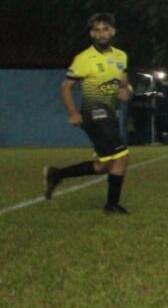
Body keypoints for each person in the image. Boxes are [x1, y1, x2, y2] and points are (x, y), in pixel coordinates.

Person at [43, 12, 134, 213]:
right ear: (92, 34)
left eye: (105, 29)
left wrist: (127, 91)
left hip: (109, 113)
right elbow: (66, 87)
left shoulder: (121, 56)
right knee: (122, 156)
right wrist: (73, 112)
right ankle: (111, 206)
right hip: (94, 113)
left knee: (105, 165)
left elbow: (124, 84)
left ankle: (57, 174)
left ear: (113, 32)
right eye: (97, 30)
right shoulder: (84, 58)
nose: (101, 34)